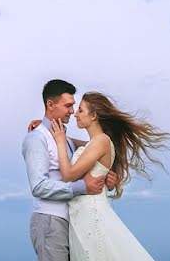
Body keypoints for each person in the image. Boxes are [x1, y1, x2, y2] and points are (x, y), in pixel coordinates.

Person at [49, 91, 170, 260]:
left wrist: (60, 142)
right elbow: (85, 146)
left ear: (93, 116)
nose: (76, 115)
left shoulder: (101, 141)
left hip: (90, 215)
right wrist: (48, 133)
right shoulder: (97, 143)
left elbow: (68, 175)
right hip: (82, 215)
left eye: (81, 110)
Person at [22, 80, 119, 261]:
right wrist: (82, 187)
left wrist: (106, 176)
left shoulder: (65, 140)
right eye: (68, 105)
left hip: (74, 223)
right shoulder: (37, 139)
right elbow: (38, 186)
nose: (72, 111)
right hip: (50, 221)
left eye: (75, 106)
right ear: (50, 105)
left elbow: (98, 149)